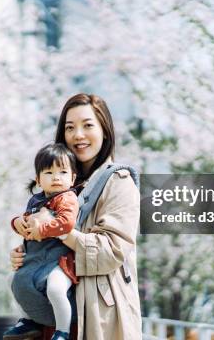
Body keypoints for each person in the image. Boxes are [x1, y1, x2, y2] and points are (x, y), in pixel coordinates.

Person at [10, 94, 142, 340]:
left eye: (88, 125)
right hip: (53, 313)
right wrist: (26, 250)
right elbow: (45, 235)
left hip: (97, 315)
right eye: (70, 128)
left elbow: (111, 250)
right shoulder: (57, 184)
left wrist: (58, 230)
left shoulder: (118, 183)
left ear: (105, 130)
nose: (78, 135)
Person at [4, 143, 80, 340]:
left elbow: (67, 223)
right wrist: (17, 222)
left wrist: (42, 229)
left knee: (55, 288)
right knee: (17, 281)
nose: (56, 177)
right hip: (38, 257)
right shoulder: (36, 201)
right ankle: (28, 319)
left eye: (63, 172)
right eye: (49, 172)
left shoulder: (67, 198)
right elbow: (27, 221)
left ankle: (62, 331)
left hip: (60, 260)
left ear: (72, 178)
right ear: (38, 179)